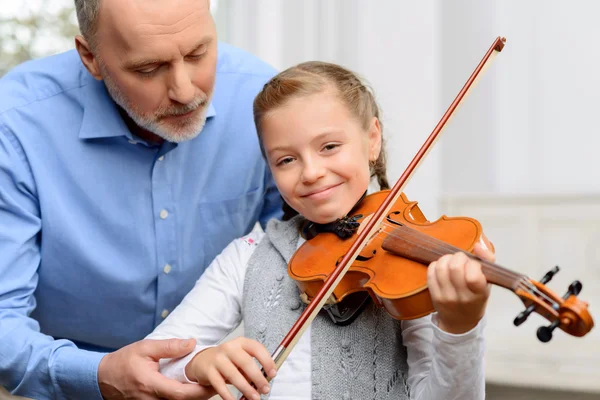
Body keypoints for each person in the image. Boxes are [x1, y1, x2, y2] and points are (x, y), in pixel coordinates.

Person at [147, 61, 495, 400]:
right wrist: (198, 362)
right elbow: (155, 360)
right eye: (286, 159)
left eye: (329, 147)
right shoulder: (247, 256)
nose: (311, 172)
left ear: (372, 139)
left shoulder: (413, 264)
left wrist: (459, 328)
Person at [0, 0, 282, 398]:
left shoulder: (262, 100)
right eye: (148, 69)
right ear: (90, 58)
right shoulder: (13, 124)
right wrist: (96, 373)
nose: (185, 91)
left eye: (198, 53)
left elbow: (302, 248)